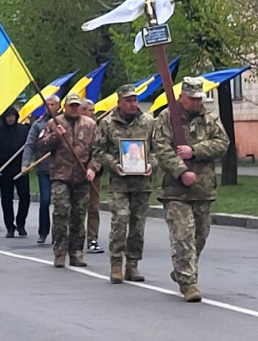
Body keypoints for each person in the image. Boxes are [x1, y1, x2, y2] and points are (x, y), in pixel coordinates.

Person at [152, 76, 230, 302]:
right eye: (192, 98)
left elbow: (222, 143)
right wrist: (181, 171)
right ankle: (189, 283)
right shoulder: (167, 118)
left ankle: (181, 269)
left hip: (203, 187)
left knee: (200, 235)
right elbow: (162, 148)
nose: (197, 103)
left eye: (199, 98)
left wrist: (194, 151)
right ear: (181, 97)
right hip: (175, 189)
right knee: (183, 235)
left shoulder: (209, 118)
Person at [93, 84, 154, 283]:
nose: (132, 103)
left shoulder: (148, 122)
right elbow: (98, 151)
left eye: (135, 100)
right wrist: (113, 164)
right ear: (119, 102)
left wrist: (151, 163)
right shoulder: (108, 123)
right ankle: (116, 264)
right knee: (120, 220)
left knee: (137, 225)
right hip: (119, 182)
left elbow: (159, 148)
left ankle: (133, 265)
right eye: (128, 100)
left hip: (142, 182)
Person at [38, 92, 97, 269]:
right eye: (71, 105)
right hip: (60, 176)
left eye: (76, 105)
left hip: (82, 176)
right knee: (61, 213)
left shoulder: (90, 125)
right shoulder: (53, 123)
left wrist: (93, 168)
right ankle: (60, 252)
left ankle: (77, 253)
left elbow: (99, 150)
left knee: (79, 216)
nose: (74, 108)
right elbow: (41, 146)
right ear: (65, 106)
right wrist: (56, 136)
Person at [0, 106, 30, 239]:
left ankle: (21, 223)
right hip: (4, 170)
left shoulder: (23, 130)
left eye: (12, 116)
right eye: (8, 116)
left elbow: (29, 148)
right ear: (4, 117)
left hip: (21, 169)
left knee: (25, 196)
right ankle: (10, 226)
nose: (10, 118)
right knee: (7, 199)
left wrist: (28, 163)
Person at [22, 95, 57, 244]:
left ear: (59, 105)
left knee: (62, 204)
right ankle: (43, 231)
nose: (50, 107)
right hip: (44, 169)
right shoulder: (38, 125)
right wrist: (26, 163)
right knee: (45, 200)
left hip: (62, 169)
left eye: (53, 104)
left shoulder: (63, 123)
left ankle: (59, 233)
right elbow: (29, 145)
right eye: (47, 104)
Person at [81, 98, 104, 254]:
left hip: (94, 174)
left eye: (94, 110)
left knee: (93, 207)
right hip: (74, 174)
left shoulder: (98, 128)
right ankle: (74, 237)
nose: (93, 113)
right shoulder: (71, 126)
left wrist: (93, 168)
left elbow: (100, 151)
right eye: (90, 110)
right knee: (76, 208)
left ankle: (92, 238)